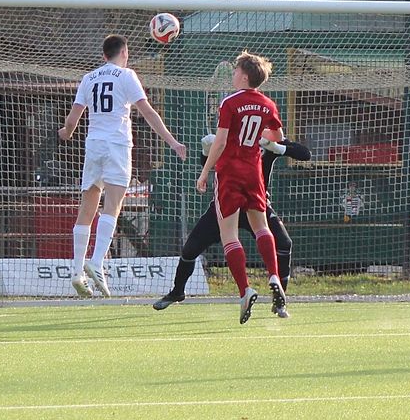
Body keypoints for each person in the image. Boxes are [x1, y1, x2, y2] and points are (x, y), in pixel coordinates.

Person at [58, 34, 187, 297]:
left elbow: (72, 120)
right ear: (125, 52)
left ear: (103, 55)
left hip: (93, 145)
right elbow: (147, 111)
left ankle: (77, 271)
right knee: (113, 206)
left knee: (87, 208)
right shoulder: (127, 76)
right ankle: (97, 262)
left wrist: (66, 133)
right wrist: (173, 142)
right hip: (116, 145)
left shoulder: (88, 78)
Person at [153, 131, 311, 317]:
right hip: (226, 203)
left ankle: (279, 299)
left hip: (256, 205)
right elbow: (209, 163)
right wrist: (206, 150)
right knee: (190, 249)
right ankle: (177, 291)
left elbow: (304, 154)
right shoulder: (230, 138)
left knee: (284, 243)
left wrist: (276, 147)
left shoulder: (267, 139)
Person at [196, 51, 286, 324]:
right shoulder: (268, 103)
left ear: (245, 76)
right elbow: (277, 136)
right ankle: (274, 275)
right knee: (262, 227)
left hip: (230, 173)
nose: (233, 74)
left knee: (229, 235)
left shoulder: (230, 102)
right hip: (253, 171)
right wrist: (260, 135)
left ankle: (245, 290)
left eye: (236, 71)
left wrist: (205, 172)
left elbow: (220, 142)